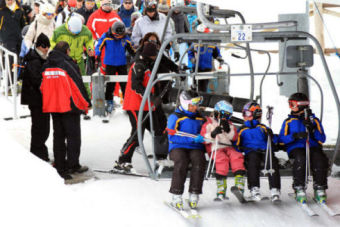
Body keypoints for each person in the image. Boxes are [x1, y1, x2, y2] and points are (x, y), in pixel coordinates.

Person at [114, 35, 172, 172]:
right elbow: (136, 85)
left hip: (147, 105)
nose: (155, 58)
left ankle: (161, 158)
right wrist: (150, 97)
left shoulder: (149, 64)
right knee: (137, 133)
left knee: (158, 130)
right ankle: (123, 160)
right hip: (135, 105)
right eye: (154, 55)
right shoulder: (139, 65)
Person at [40, 41, 91, 180]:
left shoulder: (46, 65)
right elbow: (77, 85)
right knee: (73, 137)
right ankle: (73, 164)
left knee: (58, 137)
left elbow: (42, 86)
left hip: (53, 106)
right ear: (67, 51)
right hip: (69, 106)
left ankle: (60, 165)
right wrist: (86, 103)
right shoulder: (68, 65)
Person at [279, 92, 328, 204]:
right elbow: (281, 140)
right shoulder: (289, 121)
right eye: (290, 104)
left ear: (301, 105)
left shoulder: (314, 120)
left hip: (312, 146)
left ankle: (320, 187)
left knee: (319, 159)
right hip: (296, 147)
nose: (290, 107)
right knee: (300, 158)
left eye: (292, 104)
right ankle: (299, 187)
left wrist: (312, 130)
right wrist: (294, 136)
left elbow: (322, 139)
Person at [166, 90, 205, 210]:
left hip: (195, 147)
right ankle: (176, 195)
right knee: (181, 161)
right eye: (192, 105)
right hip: (177, 147)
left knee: (199, 161)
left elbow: (206, 131)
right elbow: (172, 137)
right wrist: (192, 140)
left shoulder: (200, 118)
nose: (195, 107)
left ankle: (194, 193)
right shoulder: (176, 117)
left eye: (197, 104)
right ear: (184, 104)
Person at [200, 100, 246, 200]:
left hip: (228, 147)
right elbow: (203, 139)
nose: (225, 118)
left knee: (236, 156)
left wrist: (228, 130)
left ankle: (239, 184)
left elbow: (234, 138)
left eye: (228, 116)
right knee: (222, 160)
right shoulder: (208, 123)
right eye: (223, 115)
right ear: (217, 112)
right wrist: (212, 134)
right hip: (215, 148)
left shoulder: (229, 125)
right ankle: (221, 189)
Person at [236, 102, 281, 201]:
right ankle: (254, 188)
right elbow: (236, 143)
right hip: (251, 152)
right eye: (244, 113)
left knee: (272, 162)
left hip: (265, 150)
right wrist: (240, 148)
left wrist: (271, 135)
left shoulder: (262, 128)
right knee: (252, 162)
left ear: (255, 114)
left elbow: (274, 141)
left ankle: (275, 189)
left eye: (247, 114)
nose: (244, 116)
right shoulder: (242, 129)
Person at [21, 33, 51, 162]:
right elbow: (37, 80)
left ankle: (39, 151)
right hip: (37, 100)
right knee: (40, 127)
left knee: (42, 127)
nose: (47, 50)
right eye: (46, 47)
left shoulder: (37, 58)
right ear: (40, 47)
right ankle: (38, 153)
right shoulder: (35, 60)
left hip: (39, 99)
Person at [95, 20, 135, 114]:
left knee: (125, 84)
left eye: (119, 35)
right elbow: (99, 46)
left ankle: (127, 102)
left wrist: (137, 56)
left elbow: (132, 49)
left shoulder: (125, 38)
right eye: (116, 35)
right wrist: (97, 55)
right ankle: (109, 102)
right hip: (110, 64)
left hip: (122, 64)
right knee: (110, 84)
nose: (118, 37)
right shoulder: (106, 36)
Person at [188, 24, 224, 92]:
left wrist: (219, 58)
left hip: (207, 67)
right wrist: (192, 59)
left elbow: (216, 53)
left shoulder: (211, 43)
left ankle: (202, 97)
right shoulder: (195, 43)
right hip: (196, 67)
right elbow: (190, 52)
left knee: (203, 86)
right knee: (195, 84)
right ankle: (193, 94)